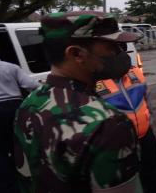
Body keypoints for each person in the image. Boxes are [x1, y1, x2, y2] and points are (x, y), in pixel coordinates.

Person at [14, 12, 142, 193]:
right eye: (111, 47)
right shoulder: (108, 123)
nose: (119, 53)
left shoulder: (29, 103)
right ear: (77, 54)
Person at [96, 57, 156, 193]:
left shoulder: (134, 72)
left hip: (145, 135)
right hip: (118, 143)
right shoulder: (94, 80)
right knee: (127, 181)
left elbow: (147, 98)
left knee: (152, 175)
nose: (119, 54)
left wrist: (147, 120)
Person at [0, 44, 39, 193]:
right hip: (15, 108)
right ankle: (28, 181)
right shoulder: (11, 66)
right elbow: (31, 85)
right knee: (18, 146)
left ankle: (7, 188)